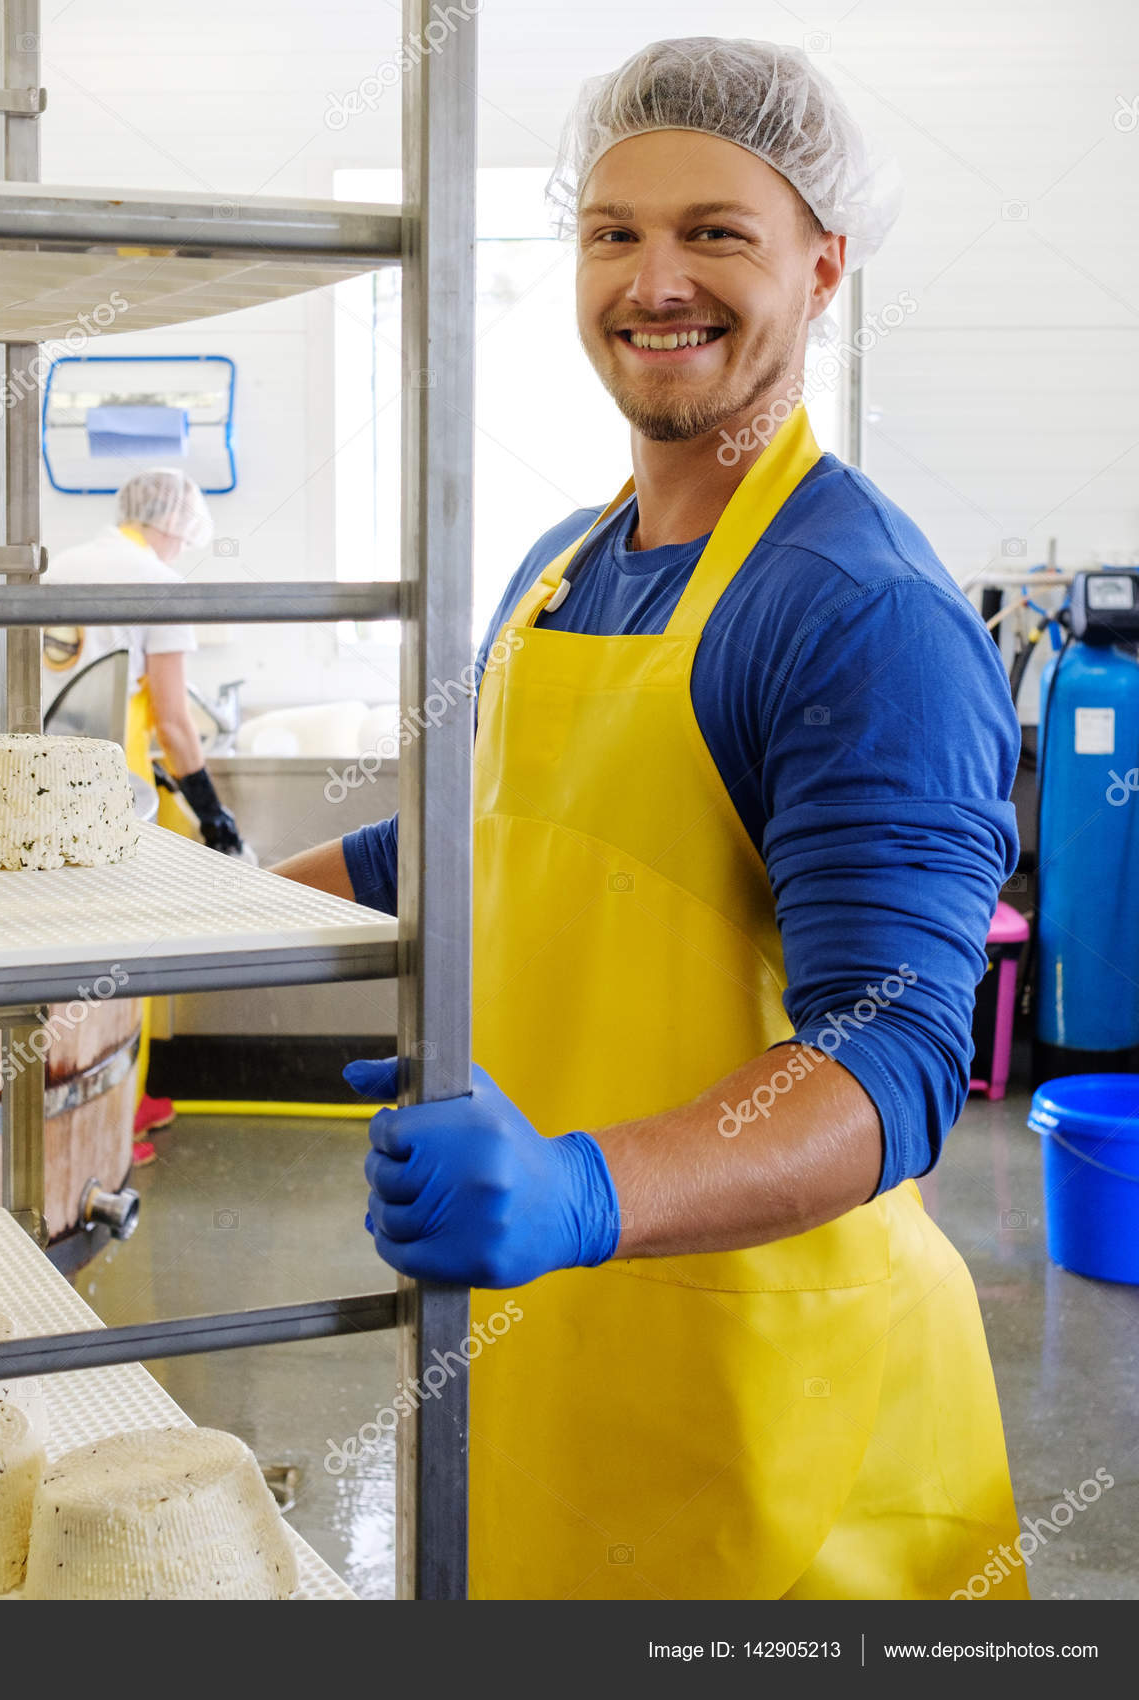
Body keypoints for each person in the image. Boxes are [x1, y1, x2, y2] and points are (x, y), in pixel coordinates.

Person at [275, 37, 1027, 1601]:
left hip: (779, 1431)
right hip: (548, 1368)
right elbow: (472, 841)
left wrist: (580, 1190)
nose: (654, 278)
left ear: (823, 267)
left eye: (716, 233)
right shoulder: (562, 562)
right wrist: (160, 930)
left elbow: (890, 1058)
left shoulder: (857, 613)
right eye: (614, 232)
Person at [44, 469, 246, 1154]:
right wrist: (214, 813)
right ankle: (116, 1118)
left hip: (44, 784)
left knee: (61, 958)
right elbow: (174, 719)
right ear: (180, 525)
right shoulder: (158, 580)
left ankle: (64, 1106)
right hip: (115, 798)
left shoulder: (63, 565)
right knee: (125, 956)